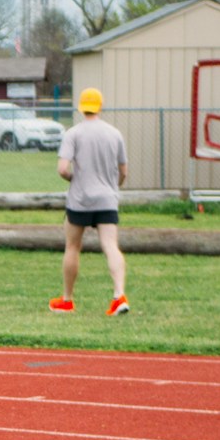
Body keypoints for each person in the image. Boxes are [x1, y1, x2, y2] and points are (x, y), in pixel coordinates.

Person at [52, 87, 130, 316]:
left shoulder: (73, 133)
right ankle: (119, 296)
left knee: (73, 246)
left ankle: (67, 300)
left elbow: (62, 169)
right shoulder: (114, 133)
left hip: (80, 199)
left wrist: (75, 179)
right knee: (110, 246)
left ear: (81, 107)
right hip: (107, 198)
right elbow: (123, 171)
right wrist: (114, 185)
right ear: (100, 106)